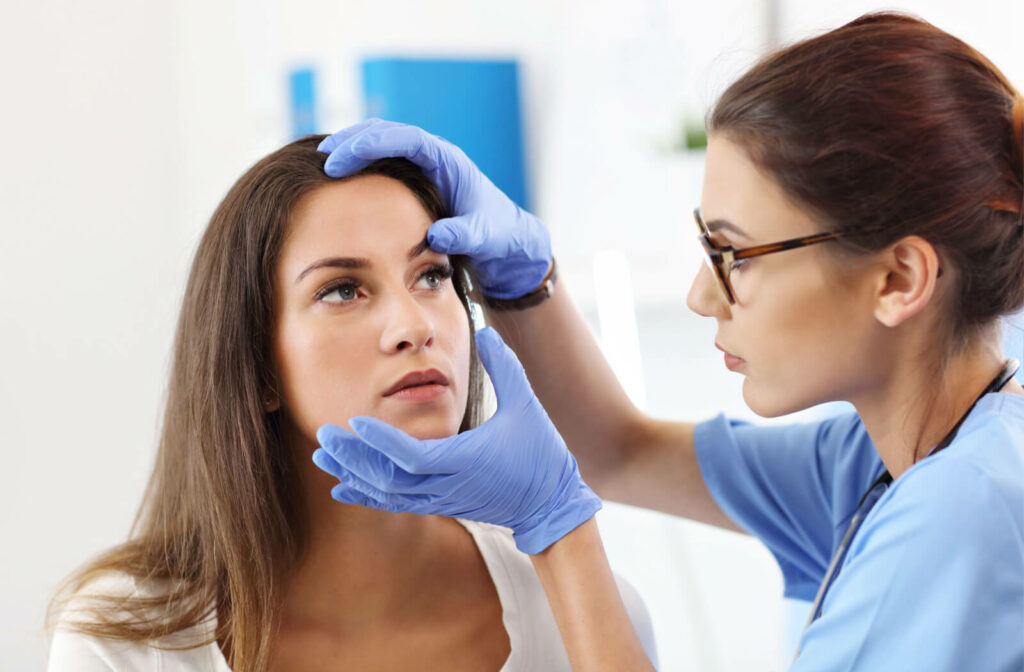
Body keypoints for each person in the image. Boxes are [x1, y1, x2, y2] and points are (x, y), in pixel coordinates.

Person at [313, 12, 1024, 671]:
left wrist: (554, 523)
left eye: (734, 254)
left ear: (898, 279)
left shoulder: (963, 513)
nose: (700, 295)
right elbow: (619, 452)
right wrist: (524, 285)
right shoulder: (879, 460)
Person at [46, 138, 655, 671]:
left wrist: (561, 525)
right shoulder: (122, 647)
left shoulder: (592, 618)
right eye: (342, 289)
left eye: (432, 275)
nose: (414, 326)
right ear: (257, 368)